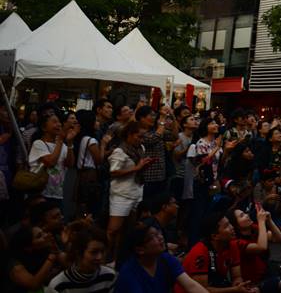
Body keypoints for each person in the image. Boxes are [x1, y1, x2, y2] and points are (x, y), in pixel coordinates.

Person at [115, 224, 208, 292]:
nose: (161, 237)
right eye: (153, 237)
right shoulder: (129, 272)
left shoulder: (166, 259)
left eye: (158, 233)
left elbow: (191, 286)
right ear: (140, 250)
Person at [108, 121, 153, 261]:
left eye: (143, 137)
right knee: (114, 229)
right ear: (129, 134)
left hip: (136, 191)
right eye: (139, 136)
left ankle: (119, 259)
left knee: (127, 230)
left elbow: (138, 168)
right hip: (121, 194)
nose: (141, 140)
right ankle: (106, 257)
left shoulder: (140, 148)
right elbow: (113, 172)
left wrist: (144, 166)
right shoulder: (119, 151)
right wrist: (136, 168)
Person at [46, 222, 116, 293]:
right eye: (93, 252)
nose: (99, 257)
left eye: (103, 251)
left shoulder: (109, 276)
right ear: (79, 253)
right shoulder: (59, 285)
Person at [29, 111, 76, 204]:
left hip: (57, 193)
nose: (59, 125)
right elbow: (51, 162)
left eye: (59, 122)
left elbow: (70, 164)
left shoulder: (62, 145)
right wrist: (60, 140)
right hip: (41, 193)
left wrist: (70, 143)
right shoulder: (38, 144)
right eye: (54, 122)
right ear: (44, 127)